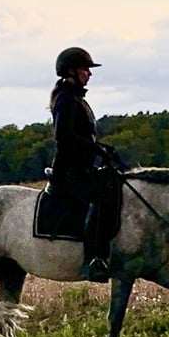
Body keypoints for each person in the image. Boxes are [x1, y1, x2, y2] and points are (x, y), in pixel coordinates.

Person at [48, 47, 117, 283]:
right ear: (71, 71)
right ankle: (93, 260)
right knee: (99, 199)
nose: (89, 73)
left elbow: (83, 137)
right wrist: (95, 148)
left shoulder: (76, 98)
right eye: (85, 69)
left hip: (82, 167)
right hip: (69, 170)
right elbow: (64, 137)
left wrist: (102, 148)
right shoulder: (66, 99)